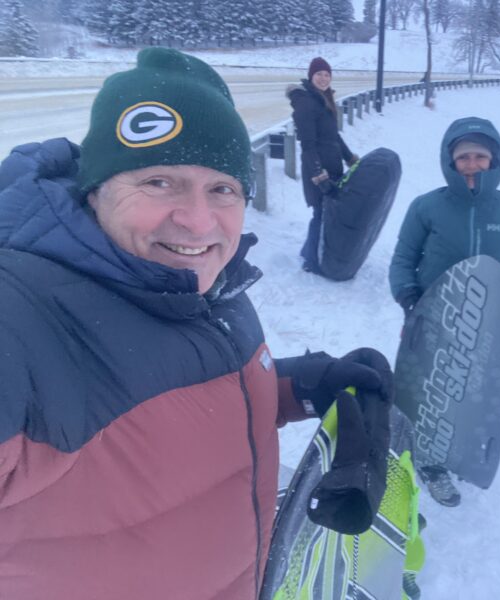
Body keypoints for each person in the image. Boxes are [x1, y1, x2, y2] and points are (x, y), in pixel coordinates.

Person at [0, 48, 391, 600]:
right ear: (96, 188)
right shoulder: (21, 317)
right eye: (159, 181)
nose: (198, 220)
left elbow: (166, 397)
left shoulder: (201, 282)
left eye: (222, 189)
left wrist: (298, 386)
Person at [388, 116, 500, 507]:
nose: (471, 164)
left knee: (473, 392)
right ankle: (423, 459)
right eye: (463, 157)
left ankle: (460, 454)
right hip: (431, 315)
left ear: (495, 160)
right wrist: (409, 299)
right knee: (428, 388)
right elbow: (403, 259)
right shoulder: (427, 207)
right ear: (449, 160)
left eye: (480, 156)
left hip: (489, 323)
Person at [287, 57, 359, 273]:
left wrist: (350, 159)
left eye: (327, 74)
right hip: (317, 168)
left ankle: (308, 251)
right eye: (319, 74)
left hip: (332, 165)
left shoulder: (323, 99)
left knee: (326, 213)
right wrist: (319, 175)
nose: (323, 78)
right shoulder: (306, 102)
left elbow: (333, 136)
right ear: (311, 76)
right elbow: (308, 145)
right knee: (320, 214)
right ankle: (311, 260)